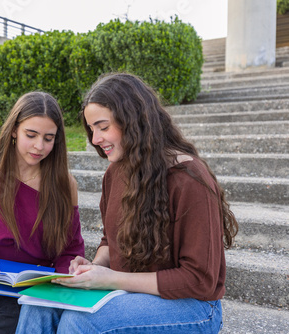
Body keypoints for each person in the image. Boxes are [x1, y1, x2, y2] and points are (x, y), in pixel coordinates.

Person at [15, 73, 238, 334]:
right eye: (92, 129)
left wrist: (111, 279)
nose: (95, 139)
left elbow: (199, 280)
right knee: (39, 304)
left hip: (193, 307)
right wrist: (93, 269)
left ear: (133, 121)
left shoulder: (190, 180)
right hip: (127, 290)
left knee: (81, 323)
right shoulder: (115, 173)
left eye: (103, 127)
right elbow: (110, 241)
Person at [0, 91, 85, 334]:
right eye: (30, 135)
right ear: (13, 130)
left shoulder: (65, 185)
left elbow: (71, 250)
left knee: (42, 313)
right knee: (16, 314)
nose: (39, 146)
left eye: (48, 138)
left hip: (41, 286)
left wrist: (68, 272)